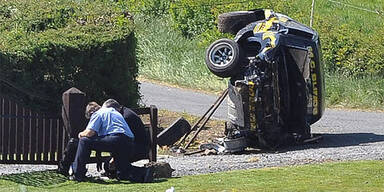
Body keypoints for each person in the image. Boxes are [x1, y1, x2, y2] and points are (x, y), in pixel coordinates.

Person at [71, 101, 153, 182]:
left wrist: (80, 134)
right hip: (128, 141)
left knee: (84, 141)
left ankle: (78, 174)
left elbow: (89, 133)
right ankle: (144, 172)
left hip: (116, 138)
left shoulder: (98, 113)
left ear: (92, 112)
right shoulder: (114, 112)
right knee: (122, 172)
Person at [101, 99, 151, 178]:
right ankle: (135, 173)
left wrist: (115, 157)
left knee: (117, 165)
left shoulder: (126, 117)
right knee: (109, 164)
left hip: (139, 147)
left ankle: (142, 172)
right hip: (132, 146)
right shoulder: (123, 113)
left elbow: (123, 141)